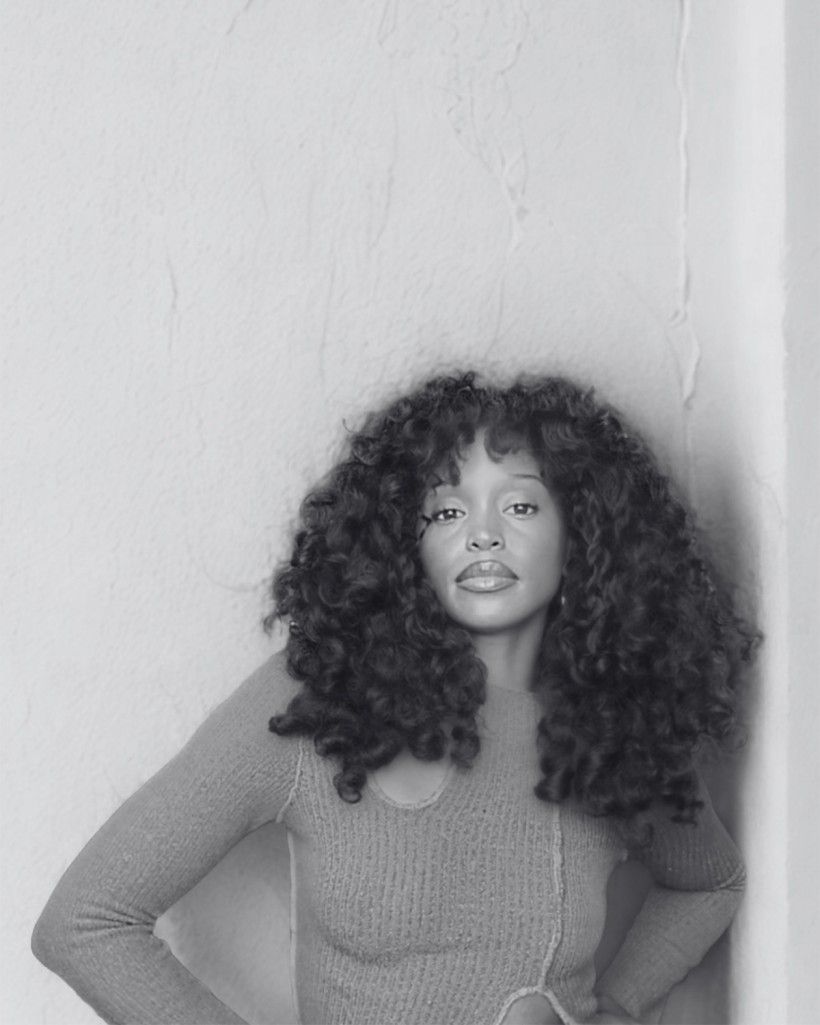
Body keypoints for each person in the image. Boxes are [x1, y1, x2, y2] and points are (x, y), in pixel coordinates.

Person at [31, 370, 758, 1025]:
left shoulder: (613, 722)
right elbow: (87, 921)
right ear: (404, 544)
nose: (481, 534)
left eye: (521, 506)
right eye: (445, 511)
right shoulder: (320, 701)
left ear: (582, 539)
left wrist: (621, 1005)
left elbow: (709, 882)